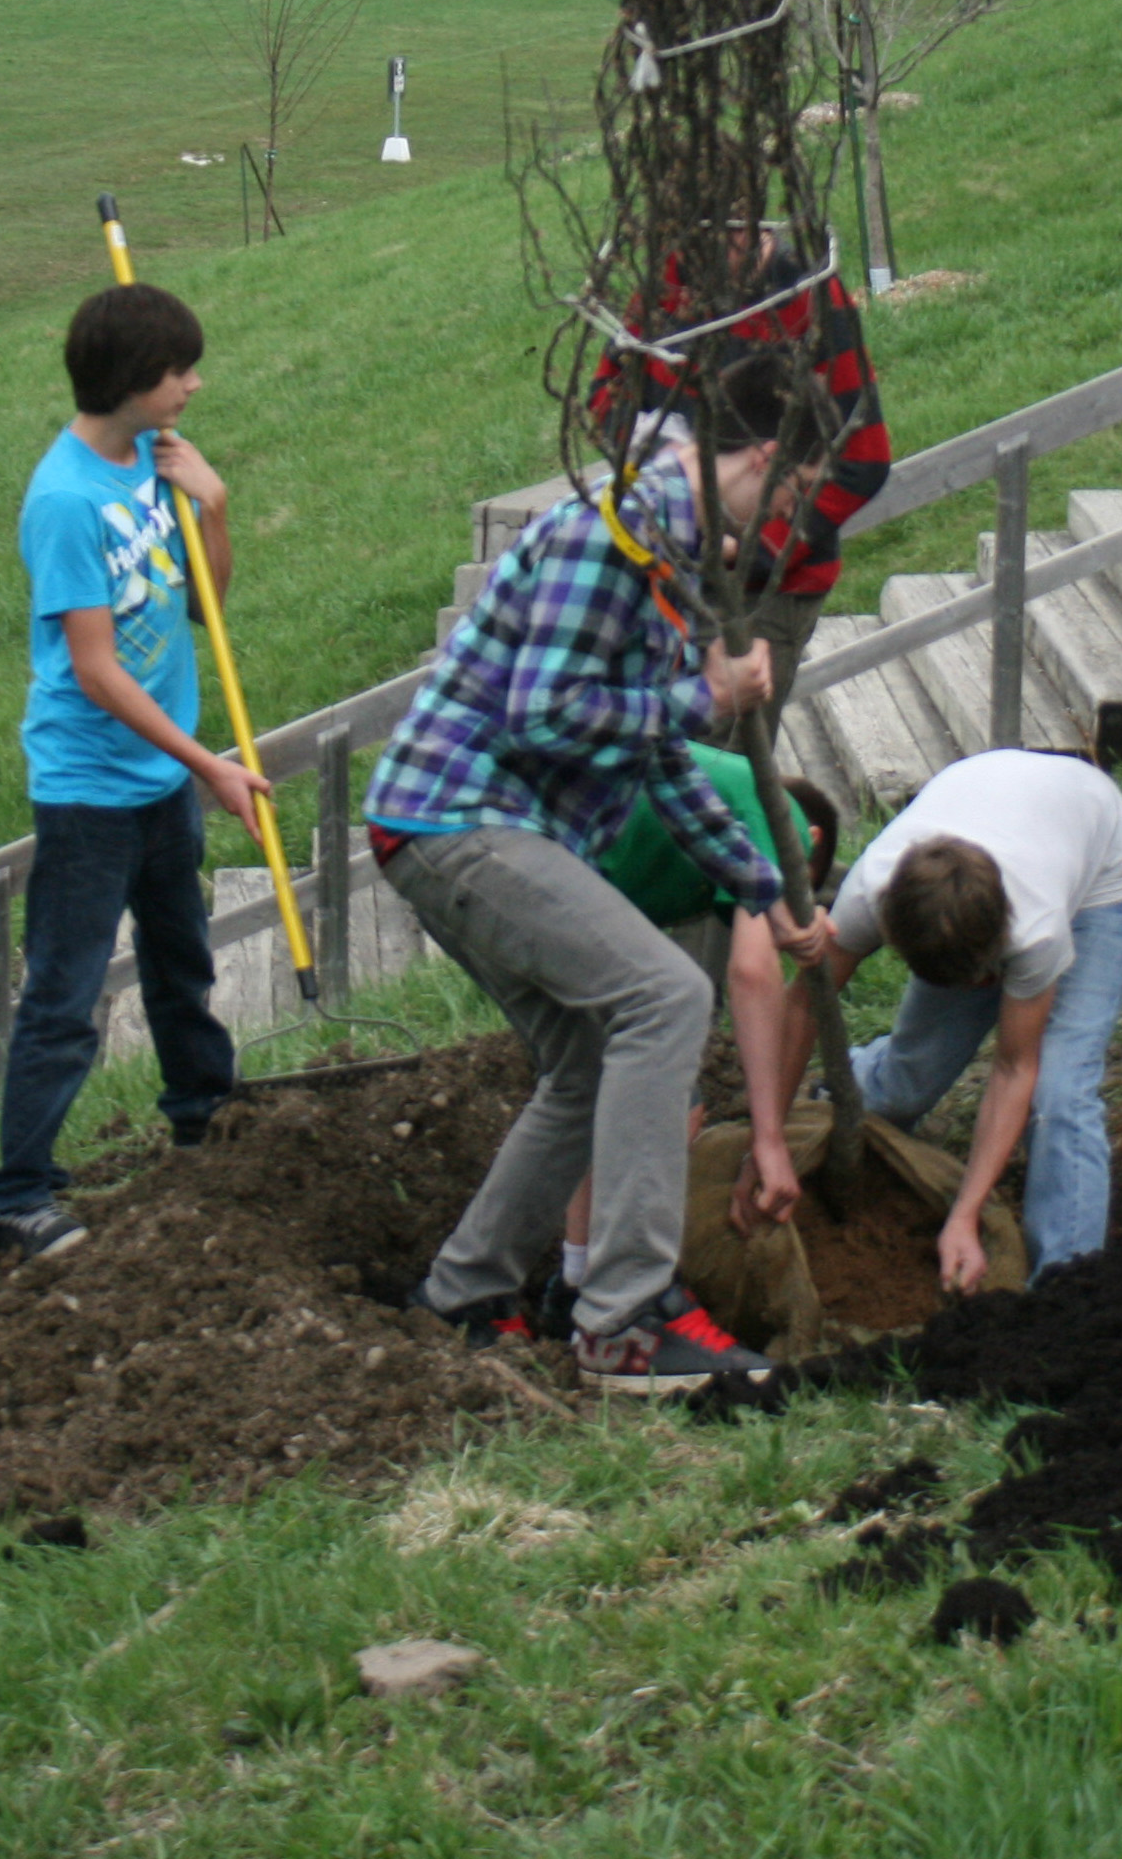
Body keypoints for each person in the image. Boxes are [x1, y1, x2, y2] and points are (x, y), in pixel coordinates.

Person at [366, 351, 825, 1395]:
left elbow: (651, 758)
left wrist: (763, 890)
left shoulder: (664, 552)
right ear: (757, 455)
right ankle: (620, 1321)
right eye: (789, 493)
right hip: (459, 816)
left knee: (582, 1060)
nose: (782, 523)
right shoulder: (612, 535)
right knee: (665, 995)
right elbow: (544, 715)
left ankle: (463, 1295)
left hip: (480, 823)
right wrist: (704, 701)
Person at [0, 283, 271, 1262]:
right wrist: (210, 764)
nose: (194, 383)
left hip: (162, 780)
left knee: (182, 963)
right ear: (131, 381)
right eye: (177, 370)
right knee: (63, 997)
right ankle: (17, 1195)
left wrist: (213, 507)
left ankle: (202, 1116)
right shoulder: (64, 502)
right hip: (92, 788)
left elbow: (206, 611)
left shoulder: (156, 462)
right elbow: (96, 672)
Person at [747, 750, 1122, 1293]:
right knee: (909, 1080)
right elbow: (804, 1004)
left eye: (985, 980)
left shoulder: (1037, 931)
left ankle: (1068, 1285)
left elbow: (1014, 1069)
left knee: (1061, 1092)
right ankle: (838, 1094)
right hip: (995, 803)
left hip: (1102, 873)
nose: (981, 994)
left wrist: (965, 1215)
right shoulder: (871, 894)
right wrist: (768, 1138)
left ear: (999, 953)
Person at [545, 756, 838, 1332]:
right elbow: (753, 973)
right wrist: (770, 1139)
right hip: (546, 875)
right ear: (810, 839)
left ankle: (574, 1282)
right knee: (671, 1102)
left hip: (525, 875)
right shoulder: (775, 820)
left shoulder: (719, 806)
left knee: (593, 1090)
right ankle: (624, 1293)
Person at [588, 216, 892, 696]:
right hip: (668, 573)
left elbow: (862, 457)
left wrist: (753, 553)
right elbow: (607, 401)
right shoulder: (666, 289)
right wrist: (674, 482)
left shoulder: (806, 296)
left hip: (763, 594)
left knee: (726, 751)